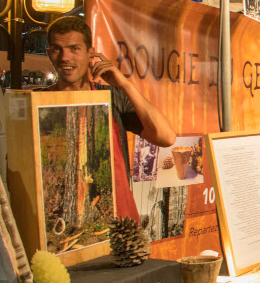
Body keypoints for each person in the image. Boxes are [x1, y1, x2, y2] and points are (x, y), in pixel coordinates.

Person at [44, 17, 176, 182]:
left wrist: (125, 85)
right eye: (57, 49)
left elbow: (165, 137)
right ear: (49, 54)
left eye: (74, 48)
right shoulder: (37, 102)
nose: (65, 57)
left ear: (90, 54)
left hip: (113, 203)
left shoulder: (113, 97)